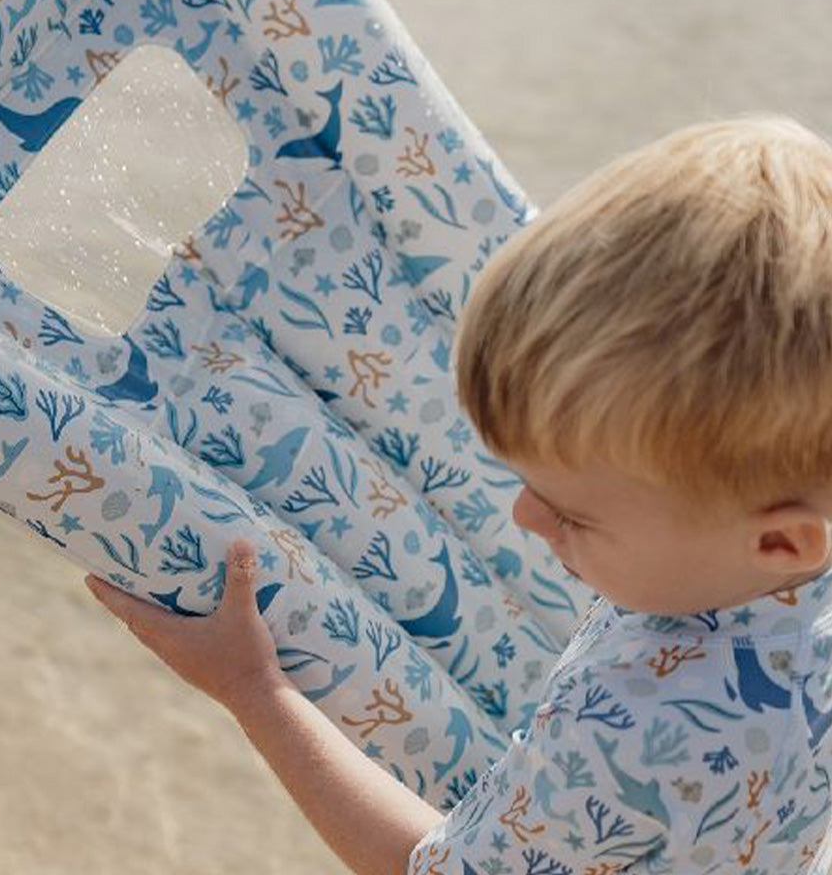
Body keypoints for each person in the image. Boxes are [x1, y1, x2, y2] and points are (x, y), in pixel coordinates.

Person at [85, 113, 832, 874]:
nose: (524, 516)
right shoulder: (784, 560)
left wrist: (254, 688)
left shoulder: (632, 729)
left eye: (573, 514)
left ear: (780, 542)